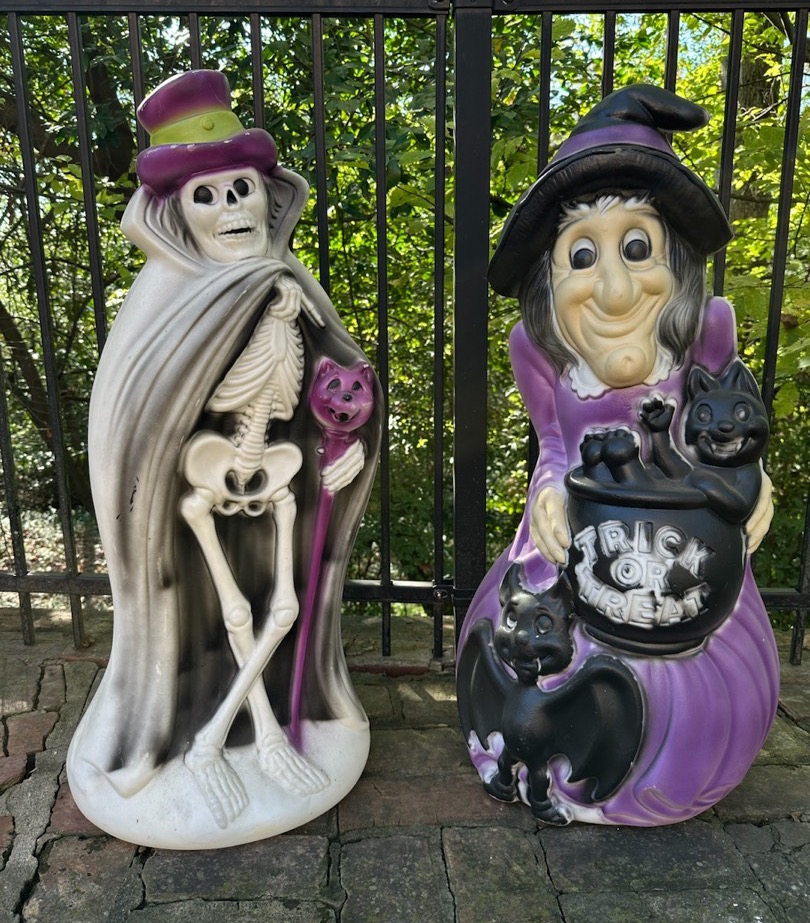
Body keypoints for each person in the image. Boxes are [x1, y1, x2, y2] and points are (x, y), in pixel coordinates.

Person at [67, 71, 381, 845]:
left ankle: (275, 731)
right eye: (205, 196)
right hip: (201, 491)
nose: (230, 207)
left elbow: (344, 386)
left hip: (276, 476)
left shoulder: (289, 286)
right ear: (177, 213)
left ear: (266, 195)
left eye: (240, 189)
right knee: (231, 606)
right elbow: (133, 426)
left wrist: (348, 451)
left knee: (283, 602)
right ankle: (195, 740)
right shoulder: (162, 303)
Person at [457, 84, 780, 825]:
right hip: (577, 534)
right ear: (551, 274)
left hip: (685, 549)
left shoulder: (708, 327)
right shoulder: (537, 349)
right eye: (582, 255)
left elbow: (732, 432)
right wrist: (548, 492)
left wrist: (754, 479)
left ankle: (654, 779)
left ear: (676, 257)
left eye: (637, 248)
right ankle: (546, 762)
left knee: (696, 687)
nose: (612, 287)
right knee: (529, 646)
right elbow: (554, 443)